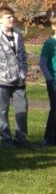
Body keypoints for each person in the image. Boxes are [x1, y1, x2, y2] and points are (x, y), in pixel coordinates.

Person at [0, 5, 33, 149]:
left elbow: (23, 55)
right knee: (3, 110)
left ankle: (21, 138)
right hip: (2, 81)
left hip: (19, 79)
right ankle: (6, 140)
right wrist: (4, 73)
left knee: (22, 108)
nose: (12, 19)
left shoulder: (18, 33)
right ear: (0, 20)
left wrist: (24, 71)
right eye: (8, 17)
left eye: (13, 16)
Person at [40, 12, 56, 147]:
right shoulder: (50, 43)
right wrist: (50, 79)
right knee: (55, 109)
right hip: (54, 81)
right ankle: (48, 137)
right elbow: (43, 63)